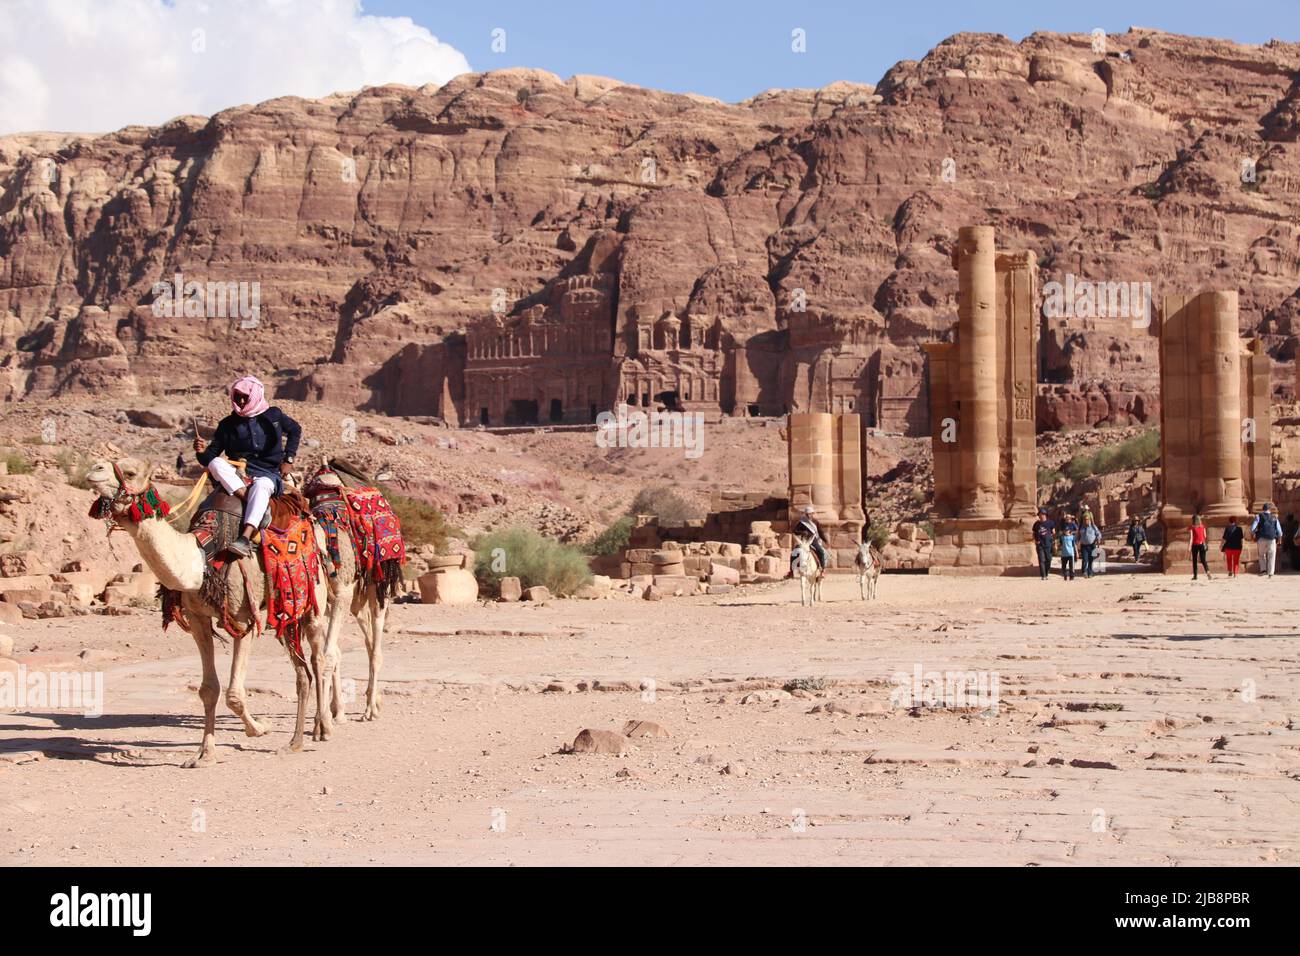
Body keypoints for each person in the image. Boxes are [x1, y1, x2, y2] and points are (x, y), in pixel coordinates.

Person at [193, 376, 302, 559]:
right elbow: (209, 458)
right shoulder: (227, 424)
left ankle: (244, 538)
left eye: (245, 397)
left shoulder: (273, 415)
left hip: (267, 473)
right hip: (238, 475)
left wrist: (288, 459)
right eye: (237, 397)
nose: (241, 401)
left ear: (255, 396)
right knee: (216, 463)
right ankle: (249, 498)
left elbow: (295, 430)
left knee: (262, 486)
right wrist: (201, 452)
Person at [792, 505, 829, 573]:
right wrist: (803, 532)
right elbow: (795, 531)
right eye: (808, 514)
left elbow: (820, 532)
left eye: (811, 514)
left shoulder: (815, 522)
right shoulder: (802, 522)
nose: (809, 516)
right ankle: (791, 571)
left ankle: (822, 569)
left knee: (821, 551)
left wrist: (825, 540)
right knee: (794, 552)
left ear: (812, 514)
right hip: (804, 541)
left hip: (813, 540)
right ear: (805, 514)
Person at [1251, 503, 1282, 577]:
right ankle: (1271, 573)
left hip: (1261, 538)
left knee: (1261, 555)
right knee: (1272, 555)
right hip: (1272, 539)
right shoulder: (1274, 517)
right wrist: (1279, 539)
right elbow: (1279, 531)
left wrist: (1253, 535)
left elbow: (1252, 528)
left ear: (1263, 509)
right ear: (1270, 509)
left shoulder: (1258, 516)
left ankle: (1263, 570)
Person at [1031, 507, 1055, 580]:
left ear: (1045, 515)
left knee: (1049, 559)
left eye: (1042, 514)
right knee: (1041, 560)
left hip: (1048, 544)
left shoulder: (1050, 523)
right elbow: (1033, 533)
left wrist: (1052, 538)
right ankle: (1043, 575)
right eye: (1040, 515)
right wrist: (1035, 540)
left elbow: (1054, 532)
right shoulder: (1036, 524)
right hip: (1040, 544)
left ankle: (1046, 572)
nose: (1041, 516)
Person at [1079, 513, 1103, 578]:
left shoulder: (1093, 527)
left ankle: (1090, 572)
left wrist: (1098, 539)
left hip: (1092, 546)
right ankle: (1084, 571)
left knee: (1090, 559)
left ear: (1089, 520)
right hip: (1084, 546)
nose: (1086, 521)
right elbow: (1078, 536)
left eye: (1087, 519)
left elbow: (1098, 534)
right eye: (1084, 519)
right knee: (1085, 559)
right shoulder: (1081, 527)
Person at [1190, 514, 1210, 580]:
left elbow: (1191, 537)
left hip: (1195, 545)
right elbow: (1205, 536)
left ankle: (1195, 576)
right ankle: (1208, 572)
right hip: (1202, 544)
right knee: (1203, 560)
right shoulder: (1203, 527)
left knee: (1195, 561)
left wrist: (1189, 546)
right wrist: (1205, 543)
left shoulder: (1192, 527)